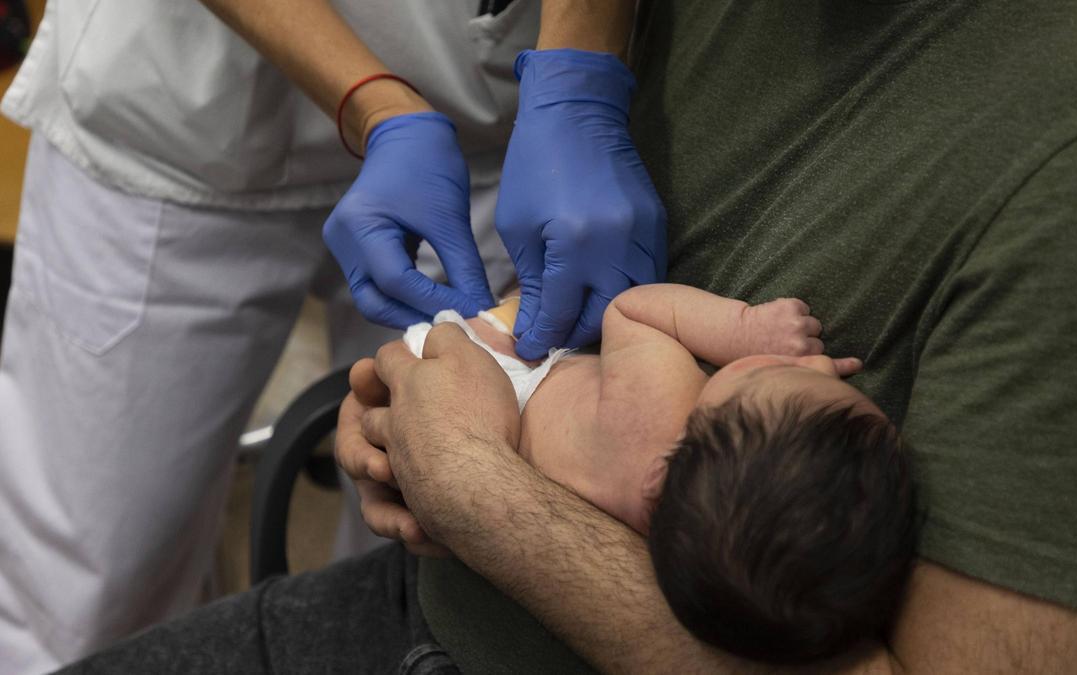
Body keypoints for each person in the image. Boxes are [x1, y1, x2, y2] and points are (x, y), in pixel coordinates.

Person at [53, 0, 1077, 672]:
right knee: (74, 576)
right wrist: (399, 101)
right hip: (194, 130)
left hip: (470, 595)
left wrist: (465, 478)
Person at [0, 0, 663, 671]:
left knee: (410, 562)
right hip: (175, 115)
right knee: (85, 592)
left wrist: (580, 75)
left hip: (493, 117)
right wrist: (374, 107)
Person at [396, 283, 918, 664]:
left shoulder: (659, 409)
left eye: (774, 372)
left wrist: (745, 329)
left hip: (474, 364)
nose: (822, 365)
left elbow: (631, 309)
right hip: (461, 453)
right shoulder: (697, 545)